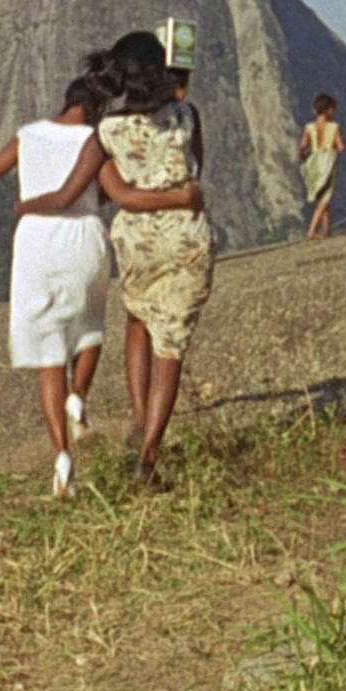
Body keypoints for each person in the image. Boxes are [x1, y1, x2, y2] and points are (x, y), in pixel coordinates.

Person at [0, 77, 195, 500]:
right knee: (90, 329)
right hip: (83, 237)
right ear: (97, 108)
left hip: (35, 242)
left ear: (65, 102)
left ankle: (62, 456)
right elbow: (111, 191)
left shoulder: (28, 136)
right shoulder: (96, 140)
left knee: (49, 357)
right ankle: (78, 396)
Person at [16, 32, 212, 488]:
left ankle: (139, 417)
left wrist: (28, 206)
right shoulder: (186, 116)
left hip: (137, 242)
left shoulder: (107, 131)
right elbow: (195, 169)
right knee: (172, 348)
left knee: (138, 323)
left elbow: (72, 193)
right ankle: (147, 457)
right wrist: (179, 194)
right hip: (186, 237)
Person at [299, 93, 346, 239]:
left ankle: (326, 230)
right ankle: (312, 231)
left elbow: (303, 147)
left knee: (322, 196)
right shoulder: (333, 127)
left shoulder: (309, 127)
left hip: (313, 161)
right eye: (333, 110)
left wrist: (304, 159)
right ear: (328, 110)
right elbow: (341, 147)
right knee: (326, 198)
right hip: (327, 162)